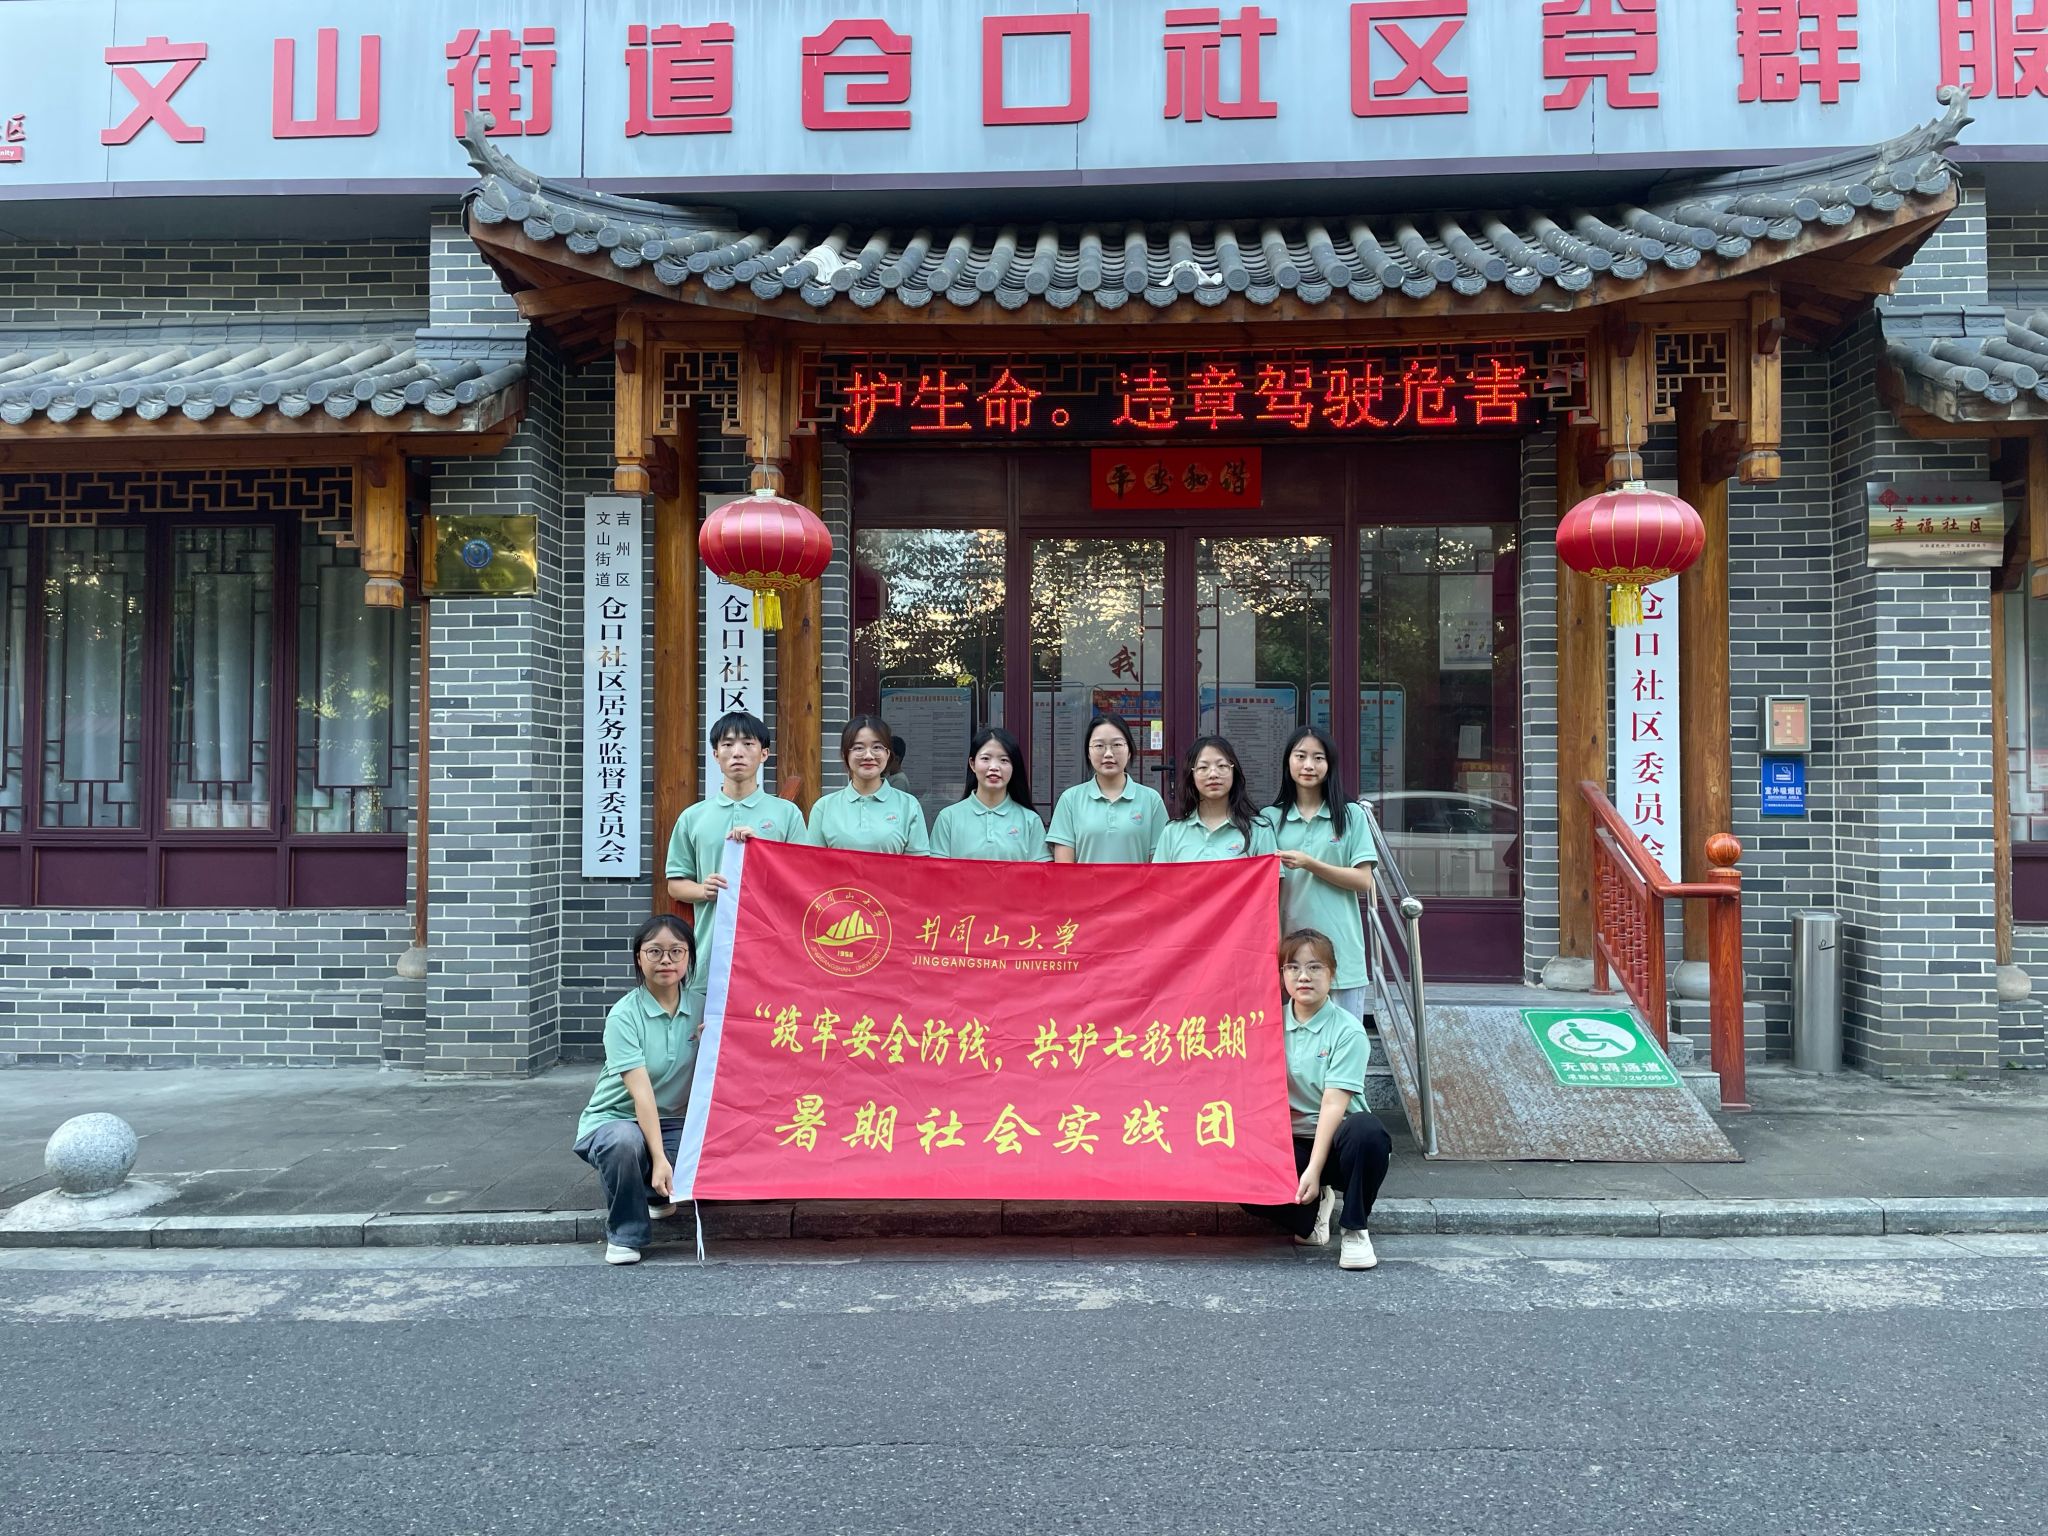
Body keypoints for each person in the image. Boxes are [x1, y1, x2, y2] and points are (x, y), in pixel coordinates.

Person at [1243, 928, 1392, 1271]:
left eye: (1315, 967)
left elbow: (1333, 1105)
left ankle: (1355, 1228)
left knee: (1368, 1132)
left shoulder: (1348, 1031)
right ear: (1282, 974)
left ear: (1332, 974)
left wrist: (1313, 1168)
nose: (1303, 976)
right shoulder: (1266, 1023)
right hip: (1288, 1145)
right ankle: (1309, 1216)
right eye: (1293, 967)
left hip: (1340, 1145)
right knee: (1239, 1171)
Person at [573, 915, 700, 1266]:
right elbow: (641, 1095)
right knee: (624, 1143)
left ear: (689, 957)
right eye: (655, 951)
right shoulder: (624, 1016)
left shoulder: (703, 1007)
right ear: (638, 958)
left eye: (676, 951)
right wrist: (659, 1159)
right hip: (615, 1120)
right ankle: (625, 1235)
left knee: (716, 1142)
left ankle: (653, 1193)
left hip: (675, 1121)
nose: (666, 960)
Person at [665, 711, 809, 1002]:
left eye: (748, 743)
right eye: (728, 744)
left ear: (764, 753)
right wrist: (704, 890)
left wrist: (763, 853)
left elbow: (803, 880)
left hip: (773, 953)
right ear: (715, 755)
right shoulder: (693, 817)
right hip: (711, 953)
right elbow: (675, 884)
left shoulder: (786, 814)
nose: (737, 752)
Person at [1261, 726, 1377, 1019]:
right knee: (1291, 1044)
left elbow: (1363, 880)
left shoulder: (1351, 815)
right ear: (1288, 761)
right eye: (1300, 756)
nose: (1309, 765)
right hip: (1288, 955)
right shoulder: (1269, 819)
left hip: (1341, 952)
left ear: (1330, 764)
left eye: (1318, 757)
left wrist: (1310, 863)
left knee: (1343, 1041)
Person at [1046, 711, 1169, 863]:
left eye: (1117, 745)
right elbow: (1064, 868)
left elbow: (1159, 865)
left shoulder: (1151, 800)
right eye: (1099, 745)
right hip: (1086, 881)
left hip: (1138, 881)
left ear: (1129, 751)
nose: (1108, 754)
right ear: (1088, 753)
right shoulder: (1070, 800)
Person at [807, 715, 930, 855]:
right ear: (845, 754)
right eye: (858, 748)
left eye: (877, 747)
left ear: (888, 754)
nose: (868, 756)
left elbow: (918, 865)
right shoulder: (823, 808)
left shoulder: (909, 805)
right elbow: (813, 863)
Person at [930, 726, 1050, 862]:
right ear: (972, 764)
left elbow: (1040, 873)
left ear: (1014, 766)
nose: (994, 767)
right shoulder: (948, 818)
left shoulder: (1030, 821)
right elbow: (937, 871)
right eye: (986, 758)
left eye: (1004, 760)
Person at [1153, 735, 1278, 862]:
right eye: (1203, 767)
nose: (1213, 774)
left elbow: (1271, 875)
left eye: (1222, 766)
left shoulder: (1258, 830)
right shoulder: (1173, 833)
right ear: (1192, 776)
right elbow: (1160, 875)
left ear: (1234, 772)